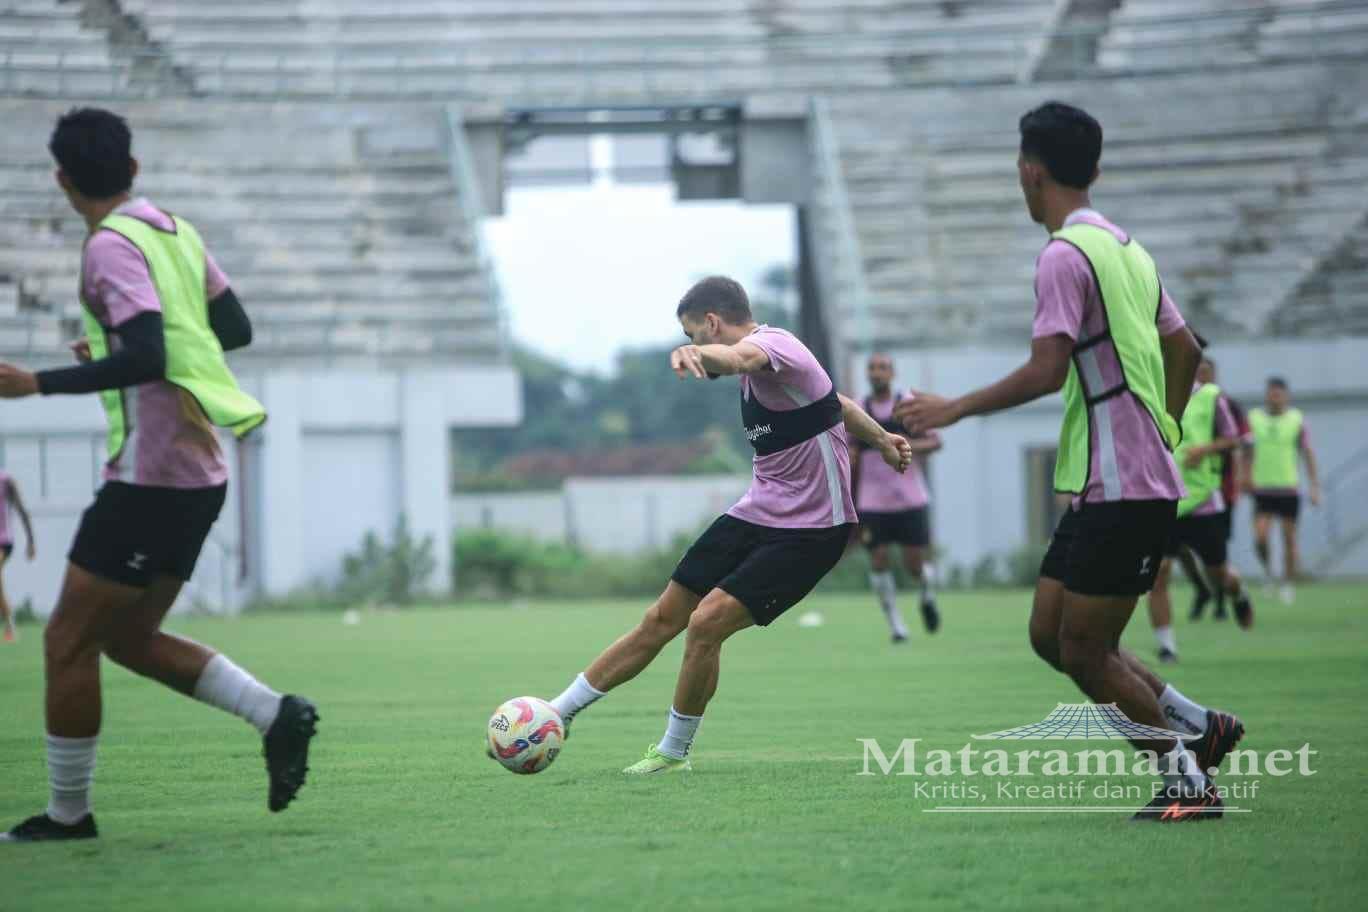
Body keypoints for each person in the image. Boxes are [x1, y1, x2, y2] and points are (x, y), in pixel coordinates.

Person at [898, 102, 1243, 822]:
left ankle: (1189, 781)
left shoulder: (1063, 255)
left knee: (1086, 652)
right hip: (1111, 480)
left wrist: (954, 408)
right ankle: (1197, 725)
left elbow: (1047, 370)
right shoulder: (1127, 249)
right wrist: (1170, 424)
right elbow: (1187, 349)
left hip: (1124, 483)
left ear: (1031, 172)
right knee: (1049, 635)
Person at [0, 108, 318, 843]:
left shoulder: (109, 247)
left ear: (62, 180)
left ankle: (68, 816)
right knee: (130, 638)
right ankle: (277, 716)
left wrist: (36, 384)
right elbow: (232, 329)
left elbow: (146, 355)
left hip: (151, 478)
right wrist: (127, 346)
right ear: (133, 168)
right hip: (199, 472)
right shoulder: (172, 228)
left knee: (67, 641)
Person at [537, 276, 912, 774]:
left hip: (813, 530)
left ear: (712, 323)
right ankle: (555, 714)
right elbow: (837, 403)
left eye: (694, 335)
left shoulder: (775, 346)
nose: (694, 345)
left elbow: (737, 357)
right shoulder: (777, 375)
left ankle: (673, 753)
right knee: (661, 619)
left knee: (705, 623)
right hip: (756, 513)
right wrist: (883, 438)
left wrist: (696, 356)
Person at [1147, 357, 1255, 663]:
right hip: (1162, 500)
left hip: (1203, 499)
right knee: (1158, 574)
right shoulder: (1150, 394)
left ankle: (1238, 592)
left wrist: (1204, 449)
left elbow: (1234, 439)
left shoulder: (1212, 397)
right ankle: (1167, 646)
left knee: (1218, 574)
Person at [853, 353, 942, 642]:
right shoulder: (859, 408)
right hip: (871, 502)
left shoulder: (907, 406)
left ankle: (927, 595)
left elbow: (935, 441)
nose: (876, 373)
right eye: (872, 368)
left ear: (893, 374)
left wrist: (901, 444)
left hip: (909, 499)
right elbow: (849, 447)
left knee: (914, 566)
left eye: (882, 368)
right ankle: (896, 626)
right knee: (878, 561)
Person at [1247, 377, 1320, 604]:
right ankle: (1268, 572)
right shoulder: (1254, 419)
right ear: (1267, 395)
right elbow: (1245, 452)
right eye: (1271, 393)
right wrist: (1244, 476)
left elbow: (1307, 453)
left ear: (1286, 396)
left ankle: (1287, 583)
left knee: (1289, 538)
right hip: (1262, 488)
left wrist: (1314, 486)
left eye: (1279, 394)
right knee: (1260, 537)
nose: (1275, 397)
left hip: (1288, 488)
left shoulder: (1296, 420)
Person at [1190, 357, 1249, 621]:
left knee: (1214, 560)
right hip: (1180, 494)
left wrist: (1240, 478)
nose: (1202, 378)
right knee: (1171, 559)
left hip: (1217, 489)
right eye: (1197, 373)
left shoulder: (1224, 404)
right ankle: (1206, 593)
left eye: (1206, 373)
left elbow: (1240, 442)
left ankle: (1223, 599)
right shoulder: (1174, 397)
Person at [0, 468, 37, 642]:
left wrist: (31, 541)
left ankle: (10, 624)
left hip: (3, 541)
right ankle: (10, 624)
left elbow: (22, 510)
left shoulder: (6, 480)